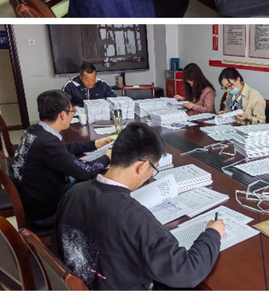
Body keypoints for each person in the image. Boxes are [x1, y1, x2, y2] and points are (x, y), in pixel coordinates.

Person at [53, 122, 225, 290]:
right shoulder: (135, 219)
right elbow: (189, 272)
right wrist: (213, 234)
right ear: (142, 167)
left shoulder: (74, 192)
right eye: (153, 168)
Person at [12, 90, 113, 229]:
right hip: (48, 212)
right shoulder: (47, 143)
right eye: (72, 111)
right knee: (99, 193)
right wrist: (108, 156)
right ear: (62, 115)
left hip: (37, 195)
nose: (72, 115)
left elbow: (63, 148)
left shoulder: (35, 130)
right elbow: (85, 171)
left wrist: (95, 144)